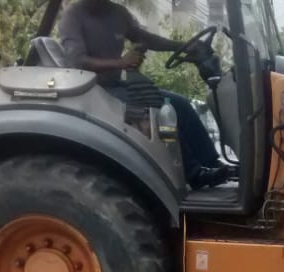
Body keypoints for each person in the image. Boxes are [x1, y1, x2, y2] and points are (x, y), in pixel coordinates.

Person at [58, 0, 233, 188]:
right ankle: (194, 173)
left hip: (116, 86)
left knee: (180, 104)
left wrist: (182, 46)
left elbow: (145, 39)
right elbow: (77, 60)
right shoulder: (73, 16)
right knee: (156, 107)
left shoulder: (118, 13)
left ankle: (212, 163)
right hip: (91, 90)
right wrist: (121, 63)